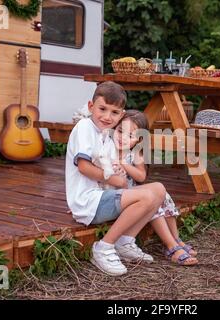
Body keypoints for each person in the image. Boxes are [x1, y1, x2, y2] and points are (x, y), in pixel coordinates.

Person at [65, 81, 166, 276]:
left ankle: (125, 242)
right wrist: (116, 180)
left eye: (114, 112)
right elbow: (84, 167)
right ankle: (103, 247)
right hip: (89, 202)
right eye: (102, 109)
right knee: (144, 197)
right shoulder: (85, 127)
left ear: (122, 114)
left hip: (103, 196)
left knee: (158, 189)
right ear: (90, 106)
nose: (107, 116)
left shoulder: (105, 133)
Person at [112, 109, 198, 266]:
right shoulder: (107, 149)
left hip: (132, 195)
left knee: (162, 195)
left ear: (138, 141)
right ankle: (171, 246)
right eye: (120, 131)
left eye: (130, 136)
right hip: (121, 198)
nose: (123, 138)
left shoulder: (134, 154)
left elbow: (141, 176)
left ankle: (176, 239)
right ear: (114, 127)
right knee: (152, 200)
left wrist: (124, 164)